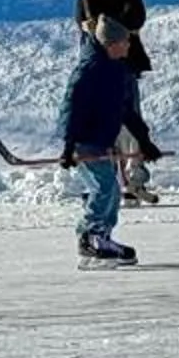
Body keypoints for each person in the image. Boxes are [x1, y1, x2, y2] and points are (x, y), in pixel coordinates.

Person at [74, 0, 162, 203]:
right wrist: (112, 25)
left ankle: (135, 180)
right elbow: (90, 28)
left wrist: (106, 24)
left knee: (130, 123)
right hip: (99, 71)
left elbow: (134, 21)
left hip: (126, 68)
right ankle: (105, 182)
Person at [60, 15, 144, 265]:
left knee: (112, 190)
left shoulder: (115, 69)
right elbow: (71, 109)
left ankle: (101, 236)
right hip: (85, 142)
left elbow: (125, 110)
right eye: (124, 42)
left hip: (101, 140)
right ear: (111, 44)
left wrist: (144, 141)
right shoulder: (90, 70)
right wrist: (68, 146)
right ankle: (90, 238)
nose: (128, 46)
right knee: (104, 188)